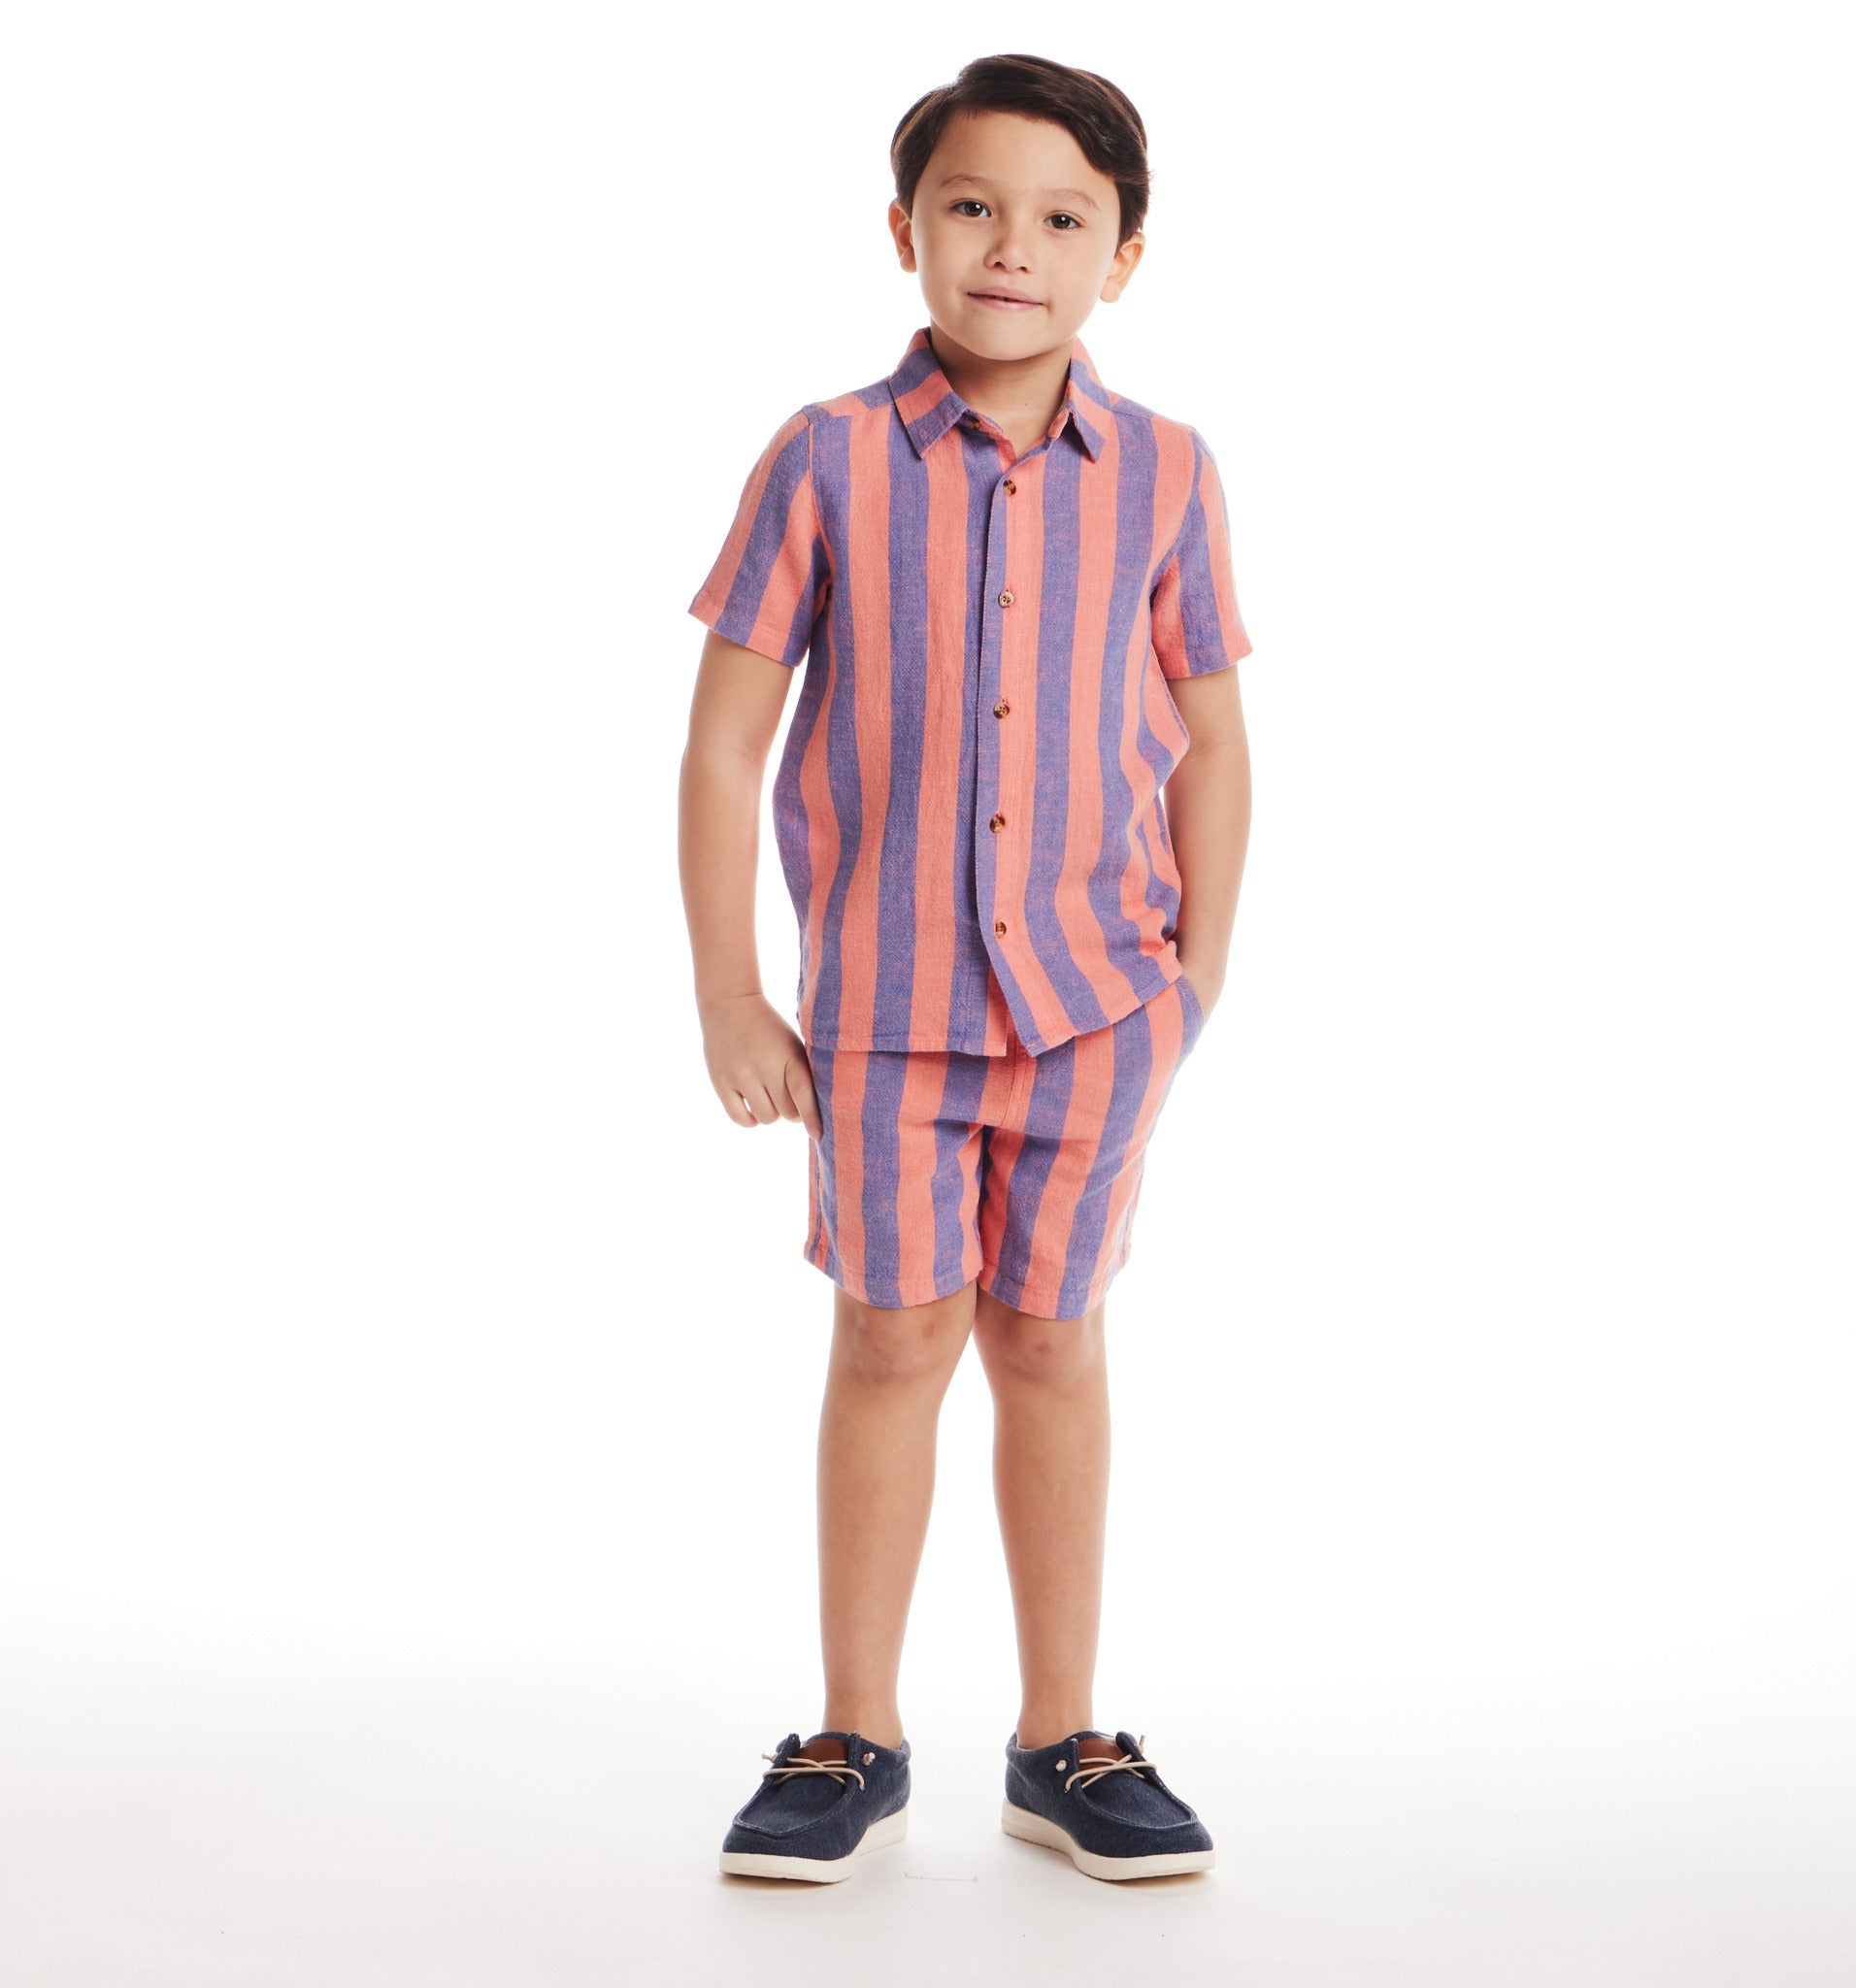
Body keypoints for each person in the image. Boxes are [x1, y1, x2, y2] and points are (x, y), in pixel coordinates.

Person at [679, 52, 1252, 1885]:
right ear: (907, 230)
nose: (1016, 247)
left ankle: (1062, 1740)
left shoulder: (1167, 471)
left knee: (1052, 1342)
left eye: (1065, 218)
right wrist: (731, 993)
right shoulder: (827, 457)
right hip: (886, 1014)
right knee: (893, 1337)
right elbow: (725, 744)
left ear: (1124, 257)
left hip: (1099, 1006)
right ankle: (853, 1734)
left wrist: (1194, 980)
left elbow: (1215, 739)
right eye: (975, 208)